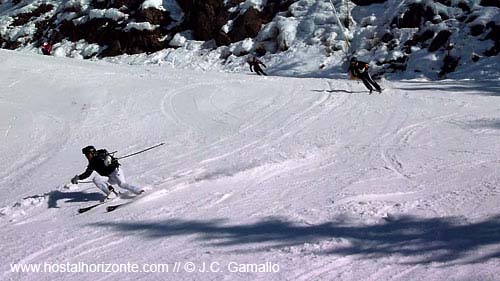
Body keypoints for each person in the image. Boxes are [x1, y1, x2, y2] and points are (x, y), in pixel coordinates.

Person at [71, 146, 144, 199]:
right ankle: (111, 193)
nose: (87, 156)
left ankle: (139, 191)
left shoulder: (99, 154)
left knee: (122, 184)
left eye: (88, 154)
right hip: (109, 177)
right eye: (86, 155)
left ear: (92, 153)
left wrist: (108, 158)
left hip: (115, 172)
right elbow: (87, 174)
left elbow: (105, 153)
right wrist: (77, 178)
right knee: (96, 179)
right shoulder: (92, 164)